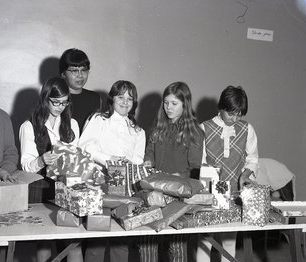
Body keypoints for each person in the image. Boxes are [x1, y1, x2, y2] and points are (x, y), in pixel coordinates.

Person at [79, 80, 146, 262]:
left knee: (121, 240)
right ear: (112, 98)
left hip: (125, 186)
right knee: (97, 237)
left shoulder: (138, 130)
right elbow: (84, 147)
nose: (125, 102)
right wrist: (109, 159)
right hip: (98, 182)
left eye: (130, 99)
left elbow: (138, 159)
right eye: (121, 97)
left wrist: (127, 162)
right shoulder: (99, 119)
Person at [19, 76, 82, 262]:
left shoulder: (73, 124)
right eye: (55, 102)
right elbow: (26, 165)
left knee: (73, 242)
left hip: (67, 189)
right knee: (44, 243)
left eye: (64, 102)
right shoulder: (29, 126)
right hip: (41, 190)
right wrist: (41, 160)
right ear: (45, 98)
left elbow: (77, 158)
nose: (60, 107)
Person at [142, 82, 204, 262]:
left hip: (178, 195)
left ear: (185, 105)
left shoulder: (194, 132)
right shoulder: (158, 128)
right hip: (155, 191)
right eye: (166, 102)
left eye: (174, 103)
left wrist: (179, 177)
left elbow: (196, 169)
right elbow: (150, 154)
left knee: (176, 244)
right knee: (148, 240)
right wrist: (148, 162)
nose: (168, 107)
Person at [197, 85, 259, 262]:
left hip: (234, 190)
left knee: (230, 241)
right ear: (220, 108)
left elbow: (253, 158)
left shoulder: (247, 129)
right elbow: (198, 162)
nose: (235, 118)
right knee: (205, 241)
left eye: (239, 114)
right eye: (231, 113)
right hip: (209, 191)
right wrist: (209, 171)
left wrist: (246, 174)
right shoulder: (204, 128)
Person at [60, 48, 102, 134]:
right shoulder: (56, 99)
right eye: (74, 71)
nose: (80, 75)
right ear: (63, 74)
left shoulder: (95, 98)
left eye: (84, 70)